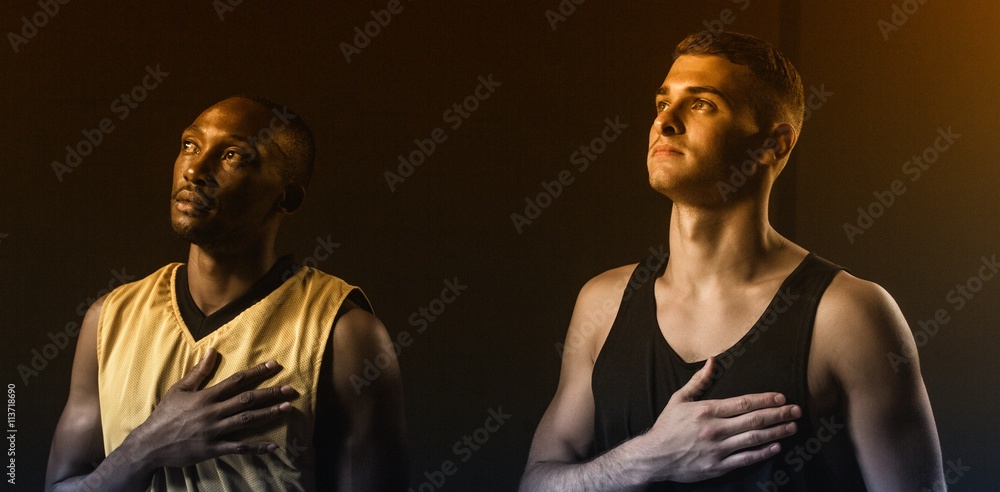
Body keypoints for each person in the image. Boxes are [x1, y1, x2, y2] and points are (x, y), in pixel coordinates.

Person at [521, 31, 944, 491]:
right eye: (663, 103)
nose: (665, 122)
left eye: (701, 103)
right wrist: (646, 459)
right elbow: (537, 483)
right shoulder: (602, 304)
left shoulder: (848, 315)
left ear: (775, 144)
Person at [45, 96, 408, 491]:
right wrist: (146, 446)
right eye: (190, 145)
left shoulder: (345, 335)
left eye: (233, 155)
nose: (195, 170)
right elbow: (61, 486)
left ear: (286, 197)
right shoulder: (108, 319)